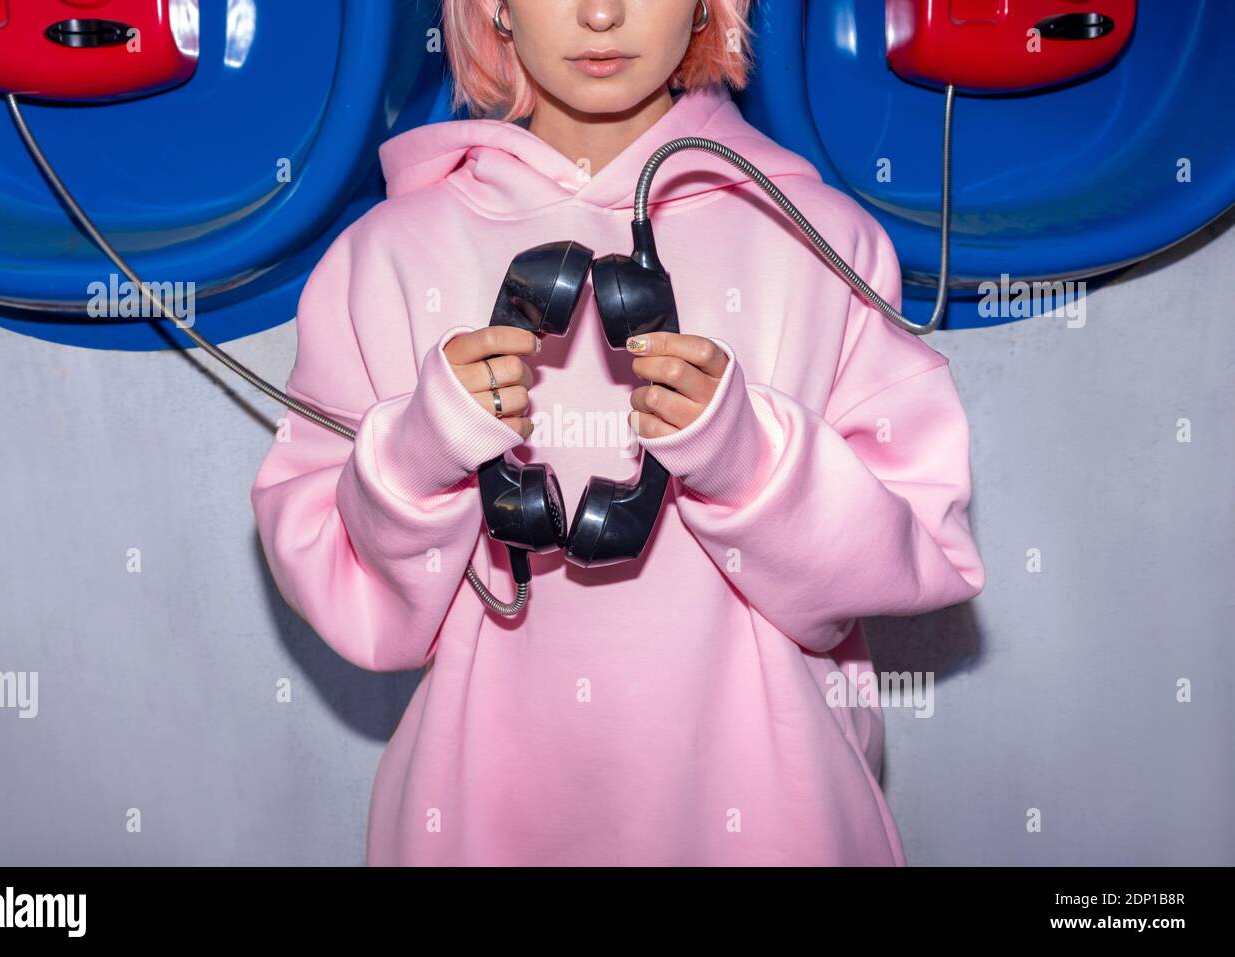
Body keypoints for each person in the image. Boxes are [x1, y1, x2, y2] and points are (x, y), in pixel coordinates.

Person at [250, 0, 986, 865]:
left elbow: (926, 543)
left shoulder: (825, 242)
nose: (602, 14)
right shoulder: (382, 259)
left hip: (772, 823)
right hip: (481, 821)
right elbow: (329, 562)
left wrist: (750, 459)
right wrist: (419, 448)